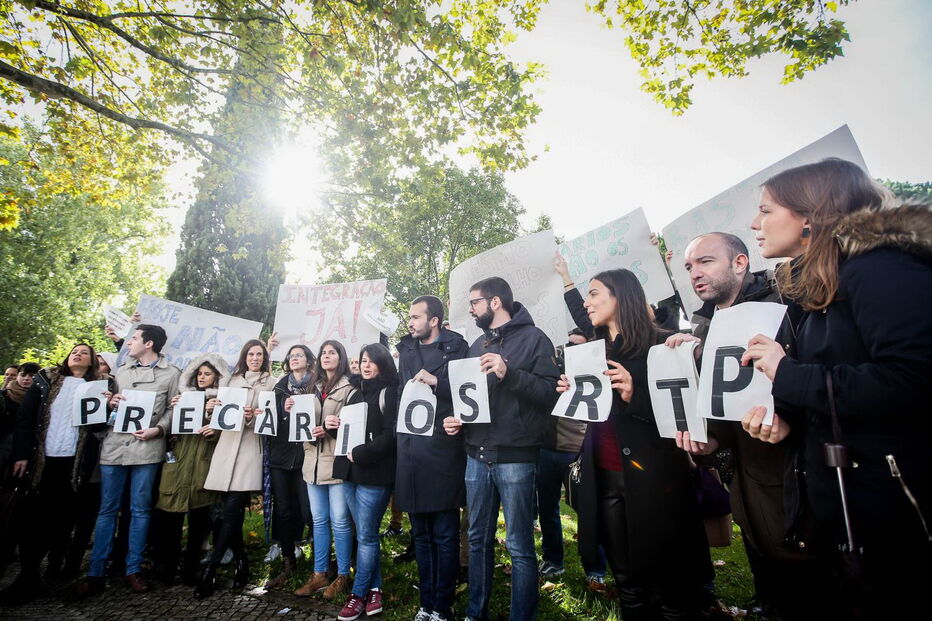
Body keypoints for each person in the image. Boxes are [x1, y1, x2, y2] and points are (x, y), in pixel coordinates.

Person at [741, 158, 932, 618]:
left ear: (810, 216)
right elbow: (833, 386)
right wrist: (785, 419)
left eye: (766, 210)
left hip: (894, 520)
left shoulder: (881, 270)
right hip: (842, 515)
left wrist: (788, 374)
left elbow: (914, 380)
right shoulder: (819, 287)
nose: (755, 223)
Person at [670, 232, 815, 617]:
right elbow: (719, 410)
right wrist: (710, 443)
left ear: (740, 263)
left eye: (705, 262)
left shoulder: (786, 308)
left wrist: (790, 421)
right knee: (765, 570)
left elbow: (817, 385)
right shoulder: (703, 327)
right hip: (746, 483)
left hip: (795, 481)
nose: (695, 274)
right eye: (688, 267)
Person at [564, 269, 711, 619]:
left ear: (621, 297)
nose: (587, 302)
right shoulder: (592, 350)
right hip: (605, 477)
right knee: (627, 581)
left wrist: (635, 394)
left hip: (656, 480)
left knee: (668, 584)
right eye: (586, 295)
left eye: (594, 293)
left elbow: (688, 416)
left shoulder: (665, 343)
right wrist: (572, 393)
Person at [444, 277, 560, 621]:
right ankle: (475, 612)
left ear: (495, 302)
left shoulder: (535, 339)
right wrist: (458, 420)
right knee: (477, 539)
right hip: (475, 455)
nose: (470, 309)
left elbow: (549, 393)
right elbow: (469, 396)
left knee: (519, 545)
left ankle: (521, 616)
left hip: (516, 457)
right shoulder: (477, 342)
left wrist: (509, 373)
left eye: (474, 302)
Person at [71, 325, 181, 599]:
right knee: (107, 510)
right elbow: (106, 406)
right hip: (115, 447)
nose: (129, 342)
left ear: (150, 343)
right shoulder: (121, 371)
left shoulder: (172, 373)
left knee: (141, 510)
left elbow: (173, 408)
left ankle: (134, 570)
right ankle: (96, 572)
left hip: (147, 449)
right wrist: (110, 402)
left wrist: (159, 429)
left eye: (134, 338)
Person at [0, 346, 110, 605]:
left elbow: (98, 426)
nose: (78, 354)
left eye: (85, 352)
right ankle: (27, 576)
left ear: (93, 361)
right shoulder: (44, 381)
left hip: (74, 464)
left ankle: (54, 572)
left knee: (62, 520)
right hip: (42, 462)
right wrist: (22, 454)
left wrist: (107, 405)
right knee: (31, 520)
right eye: (75, 351)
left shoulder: (101, 386)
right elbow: (26, 419)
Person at [396, 295, 470, 621]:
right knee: (422, 537)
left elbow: (471, 392)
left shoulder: (459, 347)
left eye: (415, 317)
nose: (410, 323)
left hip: (443, 452)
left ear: (434, 320)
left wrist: (437, 382)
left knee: (444, 536)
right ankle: (425, 605)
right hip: (410, 453)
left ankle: (443, 606)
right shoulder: (406, 350)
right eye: (409, 317)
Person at [196, 339, 277, 598]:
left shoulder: (272, 383)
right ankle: (242, 561)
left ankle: (210, 571)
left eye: (259, 354)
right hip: (226, 449)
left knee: (231, 510)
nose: (255, 357)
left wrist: (256, 416)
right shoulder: (230, 381)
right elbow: (220, 415)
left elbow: (273, 419)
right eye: (251, 354)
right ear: (245, 356)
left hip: (250, 450)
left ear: (265, 357)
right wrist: (211, 410)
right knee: (228, 513)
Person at [333, 343, 399, 620]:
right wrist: (332, 424)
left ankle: (357, 595)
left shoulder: (390, 393)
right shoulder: (354, 393)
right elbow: (348, 430)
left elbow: (391, 435)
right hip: (348, 474)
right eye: (362, 360)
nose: (366, 365)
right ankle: (375, 589)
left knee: (368, 535)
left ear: (383, 363)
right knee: (365, 534)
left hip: (375, 474)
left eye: (372, 360)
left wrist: (361, 453)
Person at [153, 354, 226, 586]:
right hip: (178, 465)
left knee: (199, 524)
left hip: (202, 466)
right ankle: (166, 568)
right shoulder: (182, 398)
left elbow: (225, 434)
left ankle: (191, 569)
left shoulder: (223, 401)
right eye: (199, 374)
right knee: (170, 523)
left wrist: (213, 421)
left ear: (216, 377)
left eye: (207, 374)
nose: (202, 378)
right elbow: (167, 428)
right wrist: (174, 408)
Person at [294, 340, 355, 601]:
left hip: (336, 464)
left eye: (332, 352)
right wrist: (292, 411)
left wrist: (332, 427)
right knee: (318, 521)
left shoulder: (351, 388)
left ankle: (342, 574)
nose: (327, 356)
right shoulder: (312, 388)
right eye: (324, 352)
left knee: (340, 522)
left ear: (341, 357)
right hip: (312, 465)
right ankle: (319, 573)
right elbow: (301, 424)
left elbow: (354, 426)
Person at [266, 344, 316, 589]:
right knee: (284, 511)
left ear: (308, 361)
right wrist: (281, 411)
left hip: (307, 456)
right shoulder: (278, 387)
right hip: (281, 457)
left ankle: (320, 567)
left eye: (299, 355)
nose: (294, 358)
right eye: (291, 355)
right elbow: (266, 421)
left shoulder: (317, 385)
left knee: (309, 512)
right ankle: (288, 564)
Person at [0, 362, 39, 475]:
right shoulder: (4, 396)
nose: (26, 379)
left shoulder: (40, 401)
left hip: (25, 449)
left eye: (32, 376)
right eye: (23, 375)